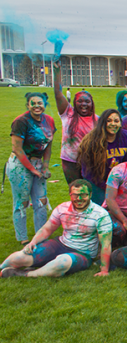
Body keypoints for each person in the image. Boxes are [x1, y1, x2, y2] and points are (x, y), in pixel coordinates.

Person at [2, 180, 112, 278]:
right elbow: (47, 229)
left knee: (61, 263)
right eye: (75, 195)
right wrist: (33, 242)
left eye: (83, 195)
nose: (79, 199)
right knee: (20, 257)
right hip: (59, 244)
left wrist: (104, 270)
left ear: (90, 195)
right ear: (70, 195)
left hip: (83, 253)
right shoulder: (62, 208)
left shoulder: (101, 214)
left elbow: (106, 244)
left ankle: (25, 274)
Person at [8, 92, 56, 244]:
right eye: (33, 103)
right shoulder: (21, 122)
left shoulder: (49, 120)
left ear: (44, 104)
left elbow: (48, 145)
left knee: (41, 201)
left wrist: (46, 165)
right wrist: (32, 169)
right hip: (20, 164)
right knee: (21, 202)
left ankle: (40, 236)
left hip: (37, 163)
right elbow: (17, 149)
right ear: (28, 105)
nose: (37, 106)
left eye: (40, 103)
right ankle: (22, 238)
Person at [52, 62, 97, 184]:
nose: (83, 104)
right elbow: (57, 93)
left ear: (92, 103)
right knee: (75, 190)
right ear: (74, 103)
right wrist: (57, 73)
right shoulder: (68, 114)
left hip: (90, 162)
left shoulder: (97, 120)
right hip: (70, 161)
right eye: (80, 101)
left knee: (90, 192)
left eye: (87, 102)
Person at [78, 109, 127, 205]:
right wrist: (105, 186)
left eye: (116, 121)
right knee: (102, 208)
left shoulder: (126, 137)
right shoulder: (91, 141)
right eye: (109, 121)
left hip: (117, 181)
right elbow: (88, 171)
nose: (113, 124)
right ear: (103, 123)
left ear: (120, 123)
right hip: (97, 182)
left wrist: (121, 183)